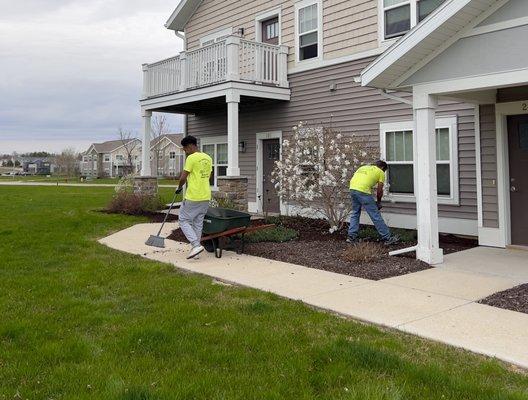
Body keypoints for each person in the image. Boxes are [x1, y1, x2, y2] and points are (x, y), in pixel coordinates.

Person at [176, 135, 213, 259]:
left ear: (190, 146)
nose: (185, 151)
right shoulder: (208, 158)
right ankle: (196, 251)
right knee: (198, 223)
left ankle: (196, 245)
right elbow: (209, 177)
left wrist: (179, 187)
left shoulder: (191, 158)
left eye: (185, 149)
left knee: (183, 219)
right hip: (206, 195)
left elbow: (183, 177)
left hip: (193, 195)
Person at [347, 160, 399, 245]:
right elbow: (379, 190)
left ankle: (351, 237)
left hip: (352, 189)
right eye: (384, 170)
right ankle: (387, 238)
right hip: (363, 192)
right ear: (382, 168)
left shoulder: (363, 167)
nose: (384, 172)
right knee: (375, 215)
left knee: (355, 213)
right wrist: (378, 202)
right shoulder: (380, 172)